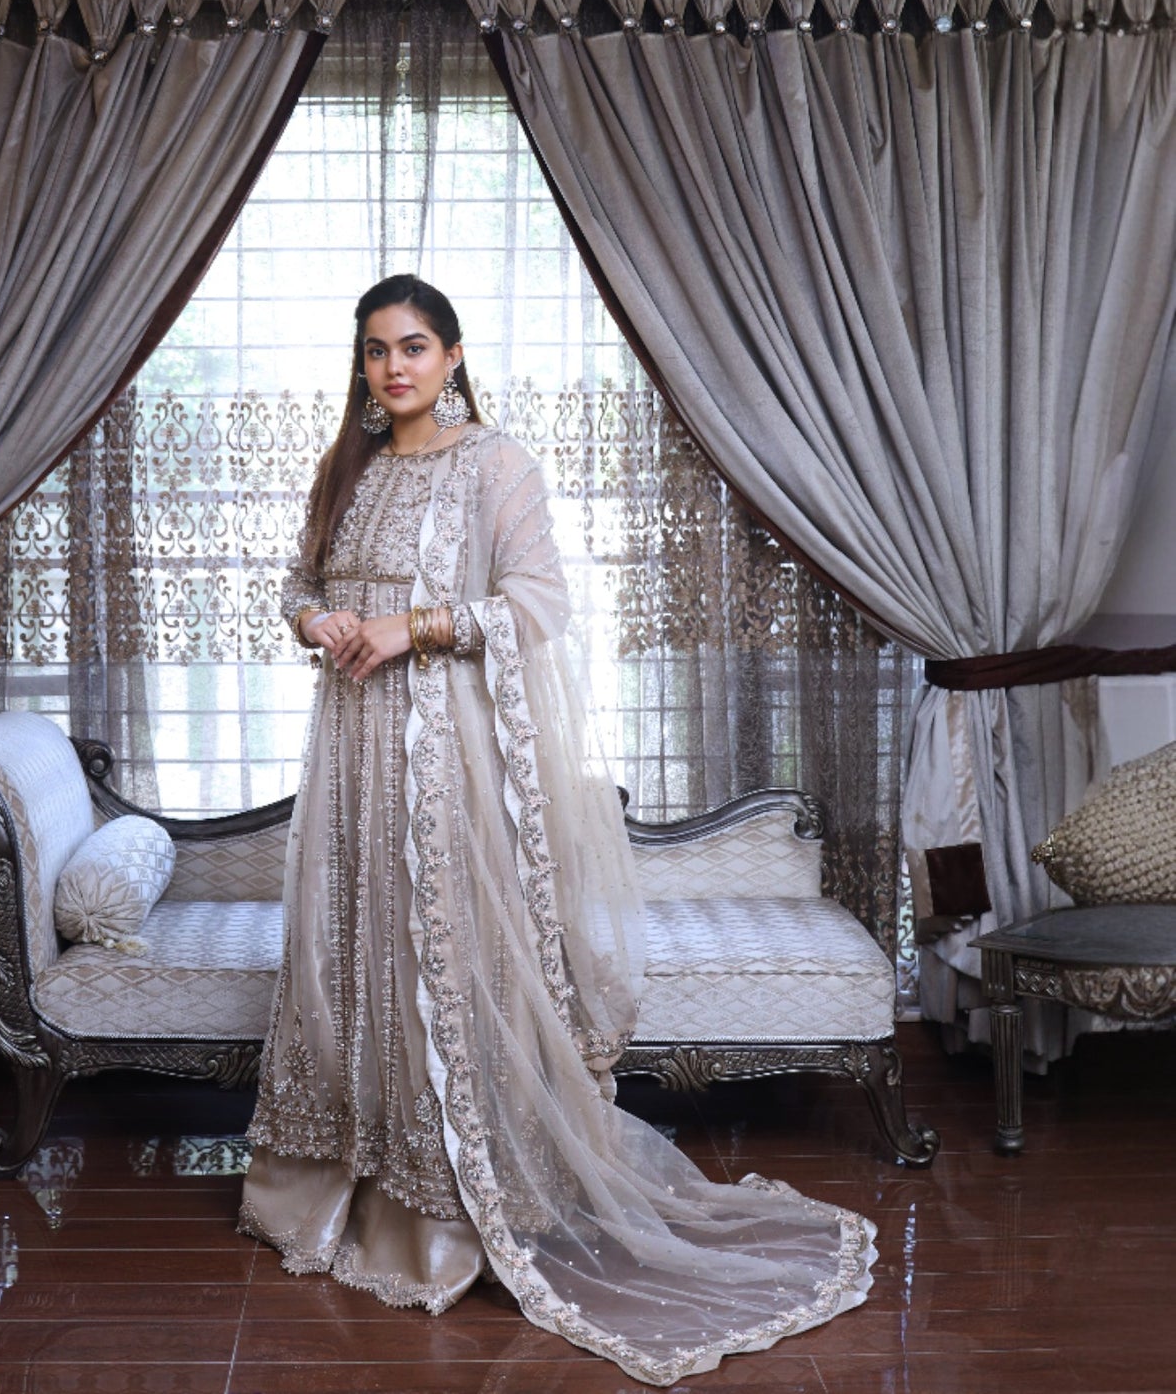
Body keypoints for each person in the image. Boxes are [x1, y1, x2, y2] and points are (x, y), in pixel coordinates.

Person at [239, 274, 876, 1386]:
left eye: (415, 347)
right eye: (377, 351)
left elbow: (538, 602)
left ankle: (453, 1204)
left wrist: (412, 627)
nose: (394, 368)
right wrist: (321, 618)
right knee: (358, 959)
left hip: (446, 759)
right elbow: (295, 582)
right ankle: (346, 1190)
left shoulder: (496, 465)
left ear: (452, 355)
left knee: (444, 964)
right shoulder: (349, 468)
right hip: (347, 760)